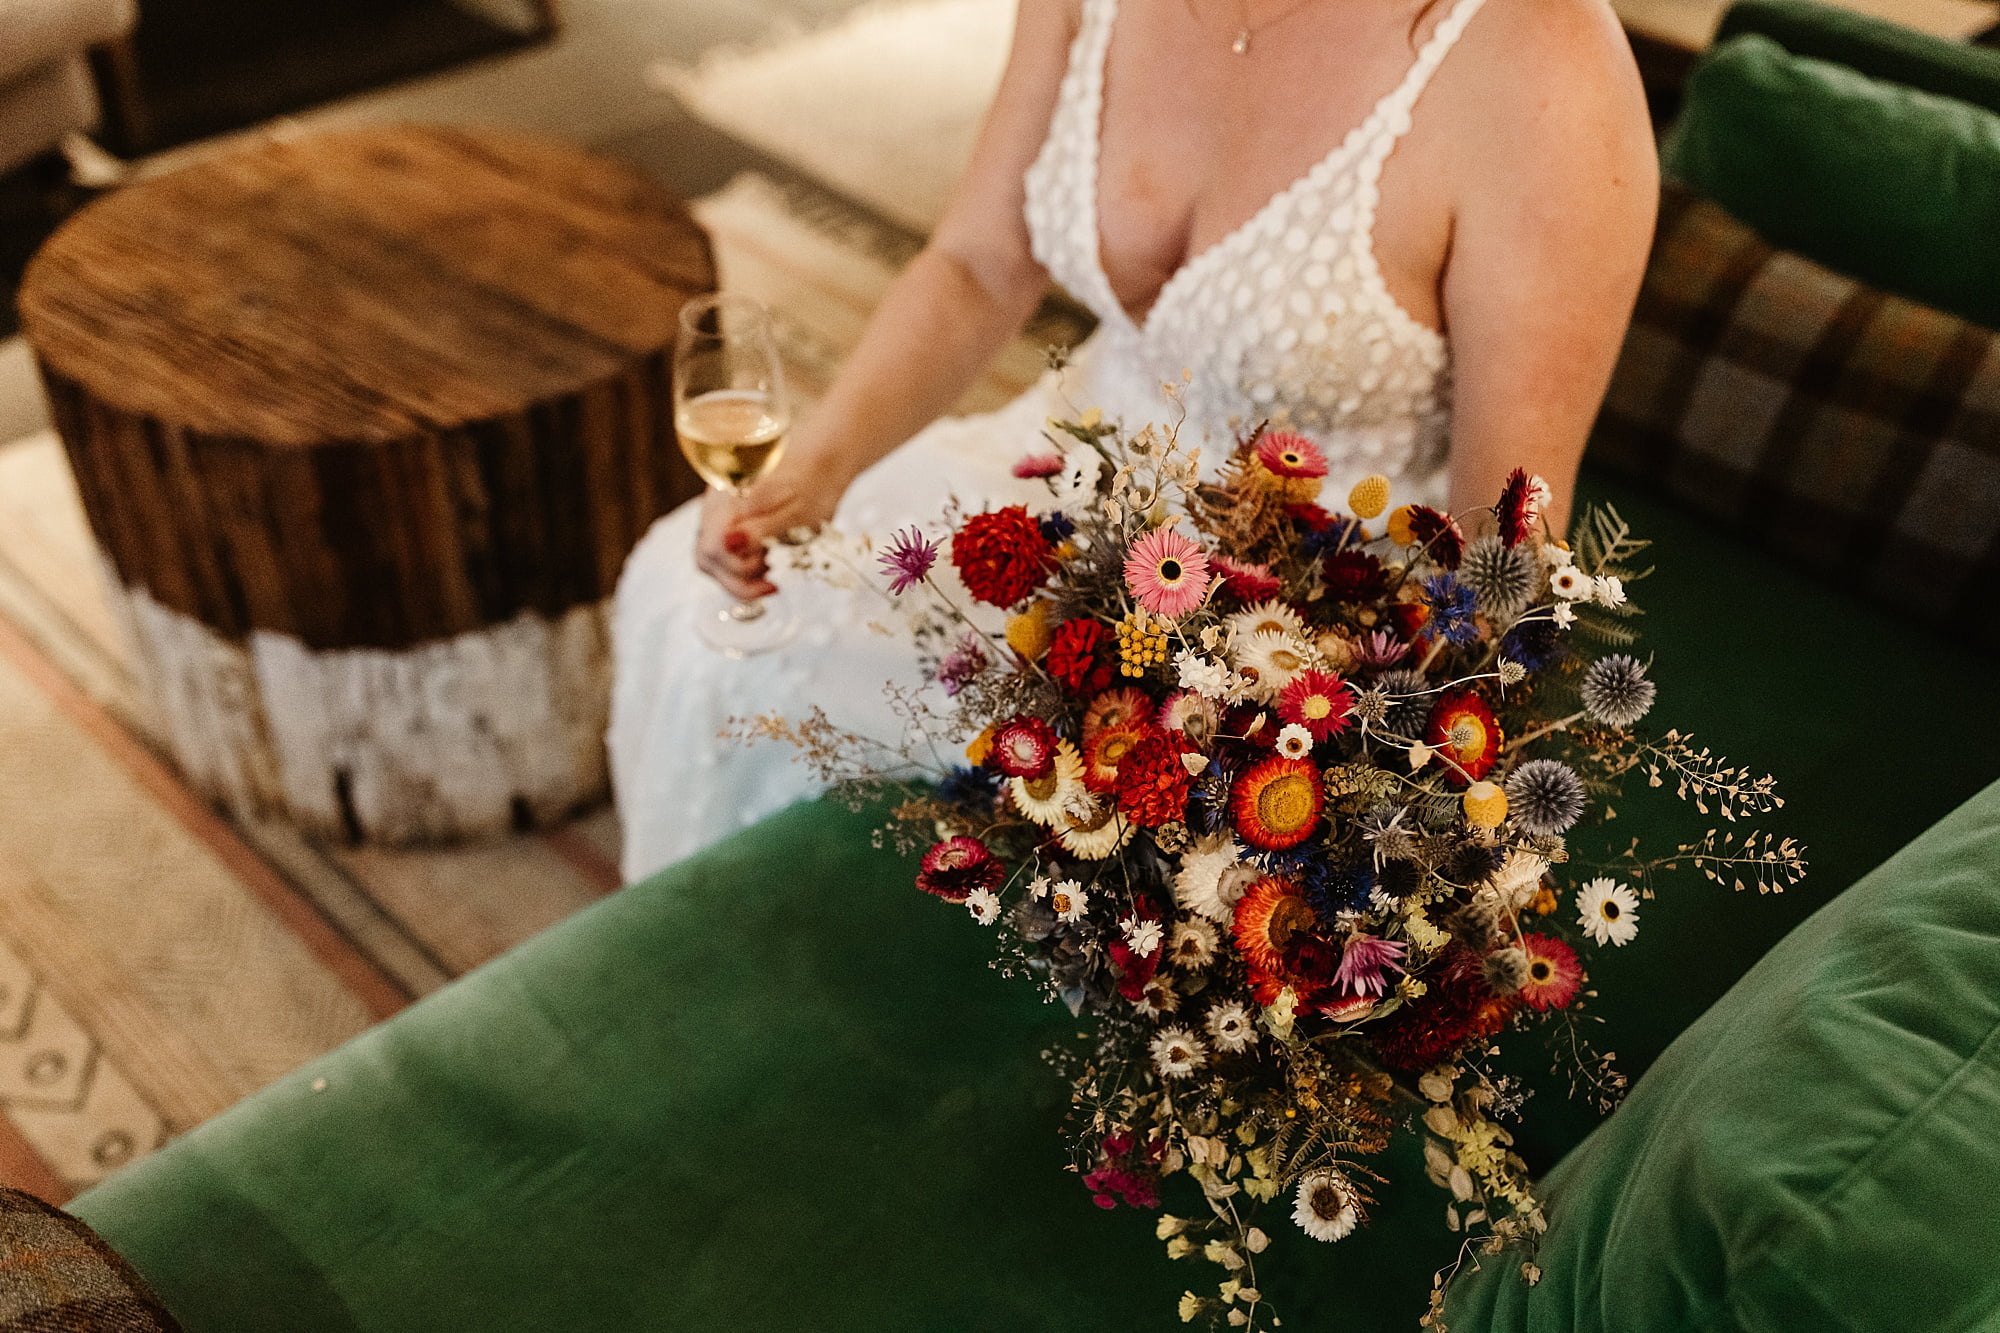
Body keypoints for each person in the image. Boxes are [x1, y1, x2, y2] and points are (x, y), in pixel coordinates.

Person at [610, 0, 1657, 882]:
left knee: (1096, 841)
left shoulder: (1537, 61)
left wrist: (1370, 780)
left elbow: (1503, 545)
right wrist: (817, 468)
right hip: (1066, 487)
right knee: (695, 601)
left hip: (1303, 629)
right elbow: (978, 262)